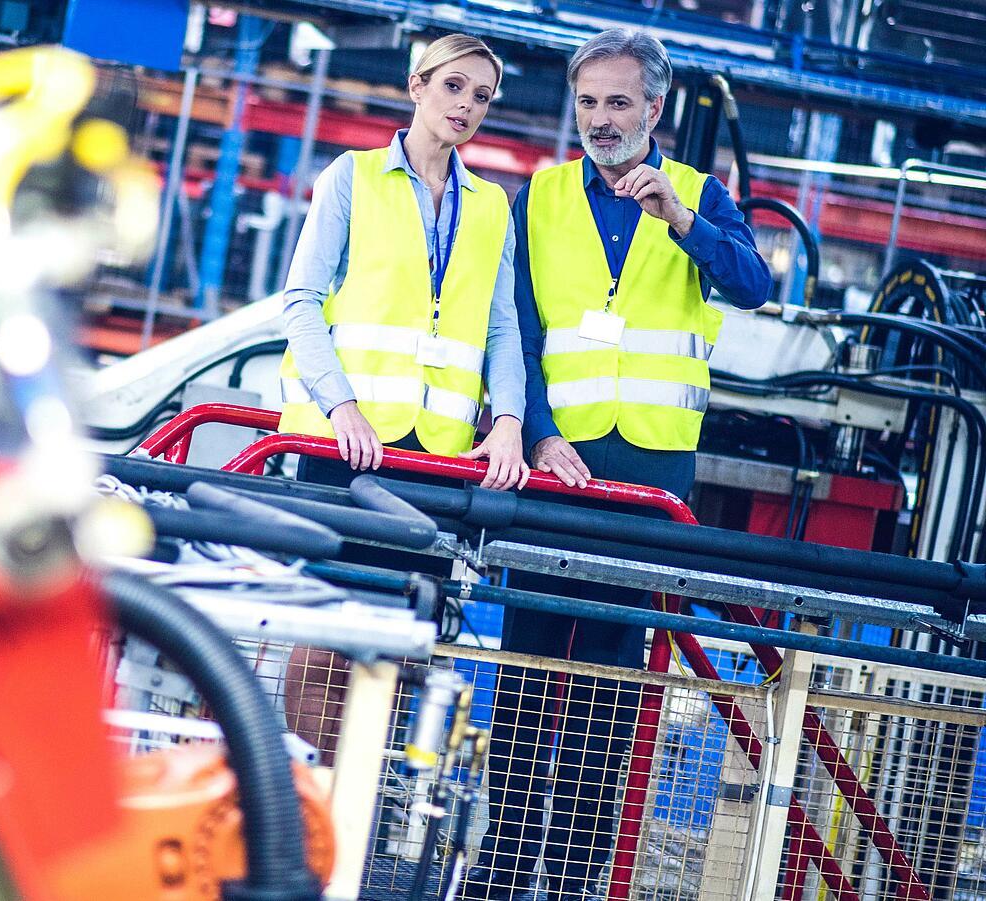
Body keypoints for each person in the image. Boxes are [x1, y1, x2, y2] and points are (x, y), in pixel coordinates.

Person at [467, 28, 771, 901]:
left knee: (610, 671)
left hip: (649, 477)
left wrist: (679, 220)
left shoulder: (704, 196)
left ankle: (571, 873)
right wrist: (537, 433)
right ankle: (502, 859)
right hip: (557, 463)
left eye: (618, 103)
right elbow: (516, 327)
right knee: (528, 665)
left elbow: (754, 285)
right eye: (588, 102)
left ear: (655, 109)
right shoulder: (542, 195)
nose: (600, 119)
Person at [276, 33, 530, 762]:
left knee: (402, 652)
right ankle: (306, 814)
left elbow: (503, 327)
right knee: (327, 641)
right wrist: (341, 405)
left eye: (481, 96)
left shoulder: (491, 208)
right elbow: (299, 300)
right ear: (416, 85)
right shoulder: (351, 178)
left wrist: (507, 420)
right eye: (454, 87)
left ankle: (357, 813)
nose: (467, 106)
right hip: (349, 451)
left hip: (437, 463)